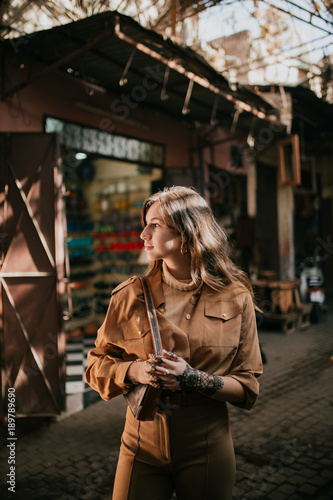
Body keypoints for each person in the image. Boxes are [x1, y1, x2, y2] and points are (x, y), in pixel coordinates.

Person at [86, 186, 263, 500]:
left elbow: (247, 387)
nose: (143, 233)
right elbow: (96, 364)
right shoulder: (130, 295)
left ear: (187, 232)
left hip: (206, 443)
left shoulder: (236, 296)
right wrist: (135, 370)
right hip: (140, 443)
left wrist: (192, 379)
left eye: (155, 224)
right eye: (146, 223)